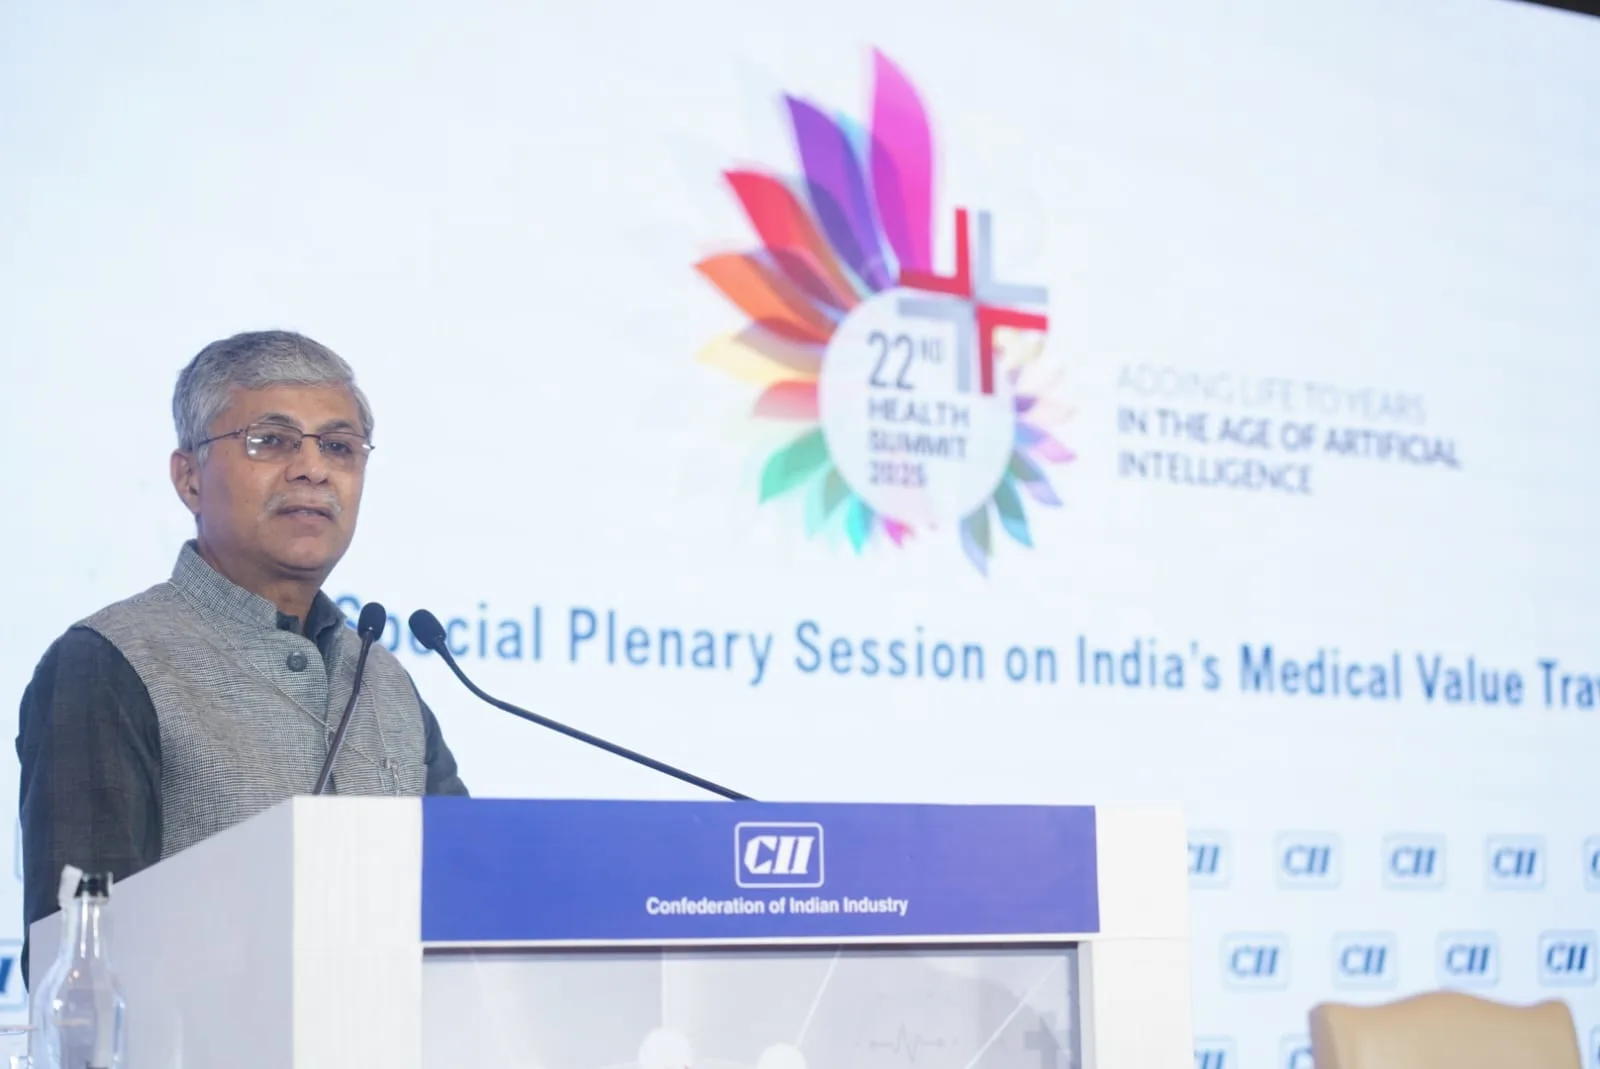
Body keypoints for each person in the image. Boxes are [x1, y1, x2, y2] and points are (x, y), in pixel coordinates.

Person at [14, 330, 467, 985]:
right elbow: (81, 964)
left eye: (339, 446)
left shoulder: (386, 680)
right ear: (189, 478)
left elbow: (470, 907)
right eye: (270, 440)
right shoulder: (107, 664)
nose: (313, 469)